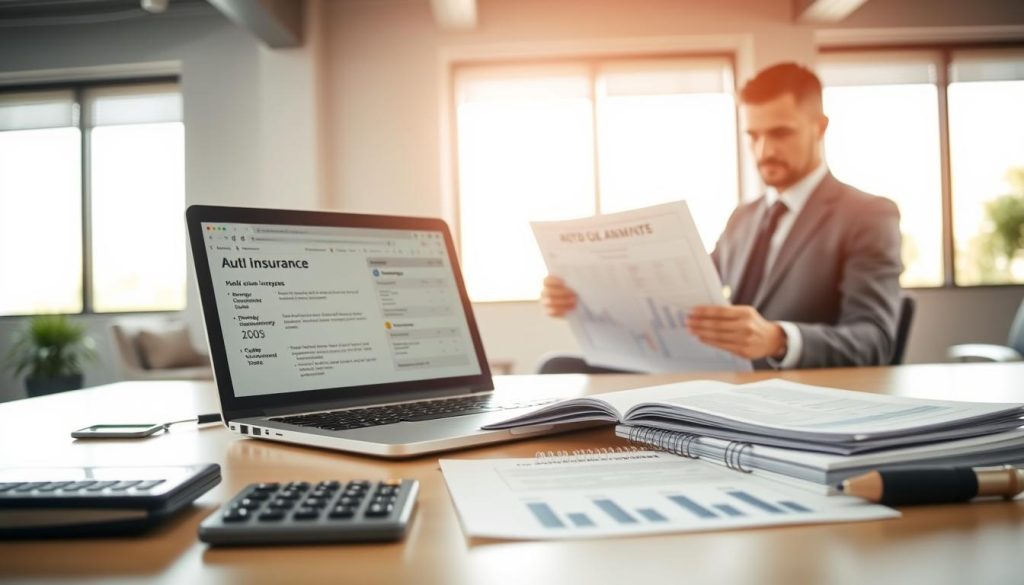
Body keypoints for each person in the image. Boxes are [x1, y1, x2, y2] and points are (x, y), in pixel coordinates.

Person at [541, 62, 902, 369]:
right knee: (557, 368)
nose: (764, 151)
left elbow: (875, 340)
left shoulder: (867, 215)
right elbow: (679, 294)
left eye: (780, 133)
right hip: (713, 371)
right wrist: (582, 295)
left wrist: (778, 339)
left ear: (819, 128)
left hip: (788, 387)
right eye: (753, 135)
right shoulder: (743, 218)